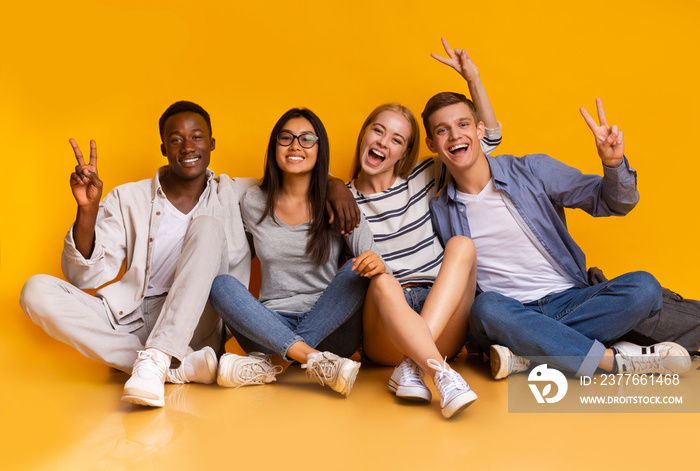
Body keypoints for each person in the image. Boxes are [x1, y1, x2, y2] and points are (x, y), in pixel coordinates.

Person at [19, 101, 359, 408]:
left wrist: (336, 185)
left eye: (196, 137)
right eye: (176, 139)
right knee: (35, 290)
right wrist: (88, 210)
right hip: (129, 315)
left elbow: (293, 170)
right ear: (163, 147)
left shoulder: (237, 193)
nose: (187, 147)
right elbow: (84, 277)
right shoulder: (128, 198)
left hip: (199, 320)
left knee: (209, 227)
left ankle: (159, 357)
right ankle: (179, 367)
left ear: (211, 143)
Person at [427, 93, 692, 379]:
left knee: (644, 288)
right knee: (486, 307)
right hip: (507, 313)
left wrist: (613, 165)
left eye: (463, 124)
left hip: (570, 300)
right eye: (443, 130)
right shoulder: (440, 209)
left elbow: (613, 203)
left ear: (480, 130)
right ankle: (611, 362)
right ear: (432, 144)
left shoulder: (531, 170)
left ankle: (528, 353)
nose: (455, 136)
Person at [346, 38, 501, 418]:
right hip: (387, 324)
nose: (384, 142)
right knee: (382, 279)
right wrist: (334, 187)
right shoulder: (340, 200)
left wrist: (474, 80)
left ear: (406, 152)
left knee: (462, 245)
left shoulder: (424, 176)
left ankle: (418, 366)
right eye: (378, 131)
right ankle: (438, 371)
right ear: (364, 134)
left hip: (441, 311)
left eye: (396, 139)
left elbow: (488, 140)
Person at [210, 108, 386, 397]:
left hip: (333, 328)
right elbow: (216, 188)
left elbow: (373, 260)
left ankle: (273, 365)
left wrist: (334, 184)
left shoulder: (337, 202)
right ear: (274, 146)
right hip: (269, 327)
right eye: (286, 138)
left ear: (320, 149)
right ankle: (314, 360)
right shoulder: (252, 202)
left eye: (307, 139)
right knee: (220, 284)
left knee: (357, 267)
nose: (295, 145)